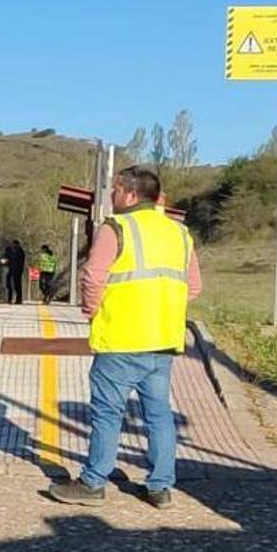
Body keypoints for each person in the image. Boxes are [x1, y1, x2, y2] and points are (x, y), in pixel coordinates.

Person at [48, 166, 201, 509]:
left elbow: (93, 277)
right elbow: (194, 287)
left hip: (120, 338)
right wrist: (160, 307)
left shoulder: (115, 228)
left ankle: (92, 482)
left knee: (107, 413)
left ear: (131, 195)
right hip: (162, 341)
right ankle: (160, 487)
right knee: (159, 414)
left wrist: (92, 311)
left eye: (115, 191)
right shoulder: (179, 233)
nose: (112, 197)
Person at [6, 240, 26, 304]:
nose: (13, 246)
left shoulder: (20, 252)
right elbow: (7, 259)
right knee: (9, 285)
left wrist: (20, 270)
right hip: (10, 269)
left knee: (17, 285)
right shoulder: (9, 251)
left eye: (14, 244)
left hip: (17, 270)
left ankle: (18, 299)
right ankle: (9, 299)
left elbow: (21, 262)